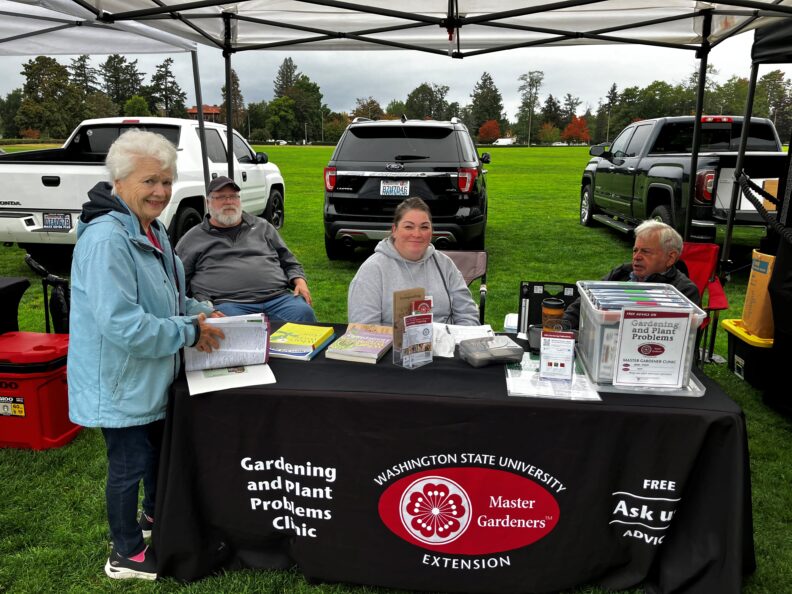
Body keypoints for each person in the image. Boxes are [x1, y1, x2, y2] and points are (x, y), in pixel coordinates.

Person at [68, 130, 225, 581]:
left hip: (150, 375)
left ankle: (156, 519)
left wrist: (201, 312)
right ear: (119, 182)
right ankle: (125, 552)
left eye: (167, 181)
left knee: (155, 456)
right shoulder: (106, 241)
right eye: (150, 181)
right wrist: (188, 332)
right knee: (129, 466)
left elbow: (170, 296)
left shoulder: (151, 228)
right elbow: (123, 325)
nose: (160, 192)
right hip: (120, 379)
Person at [176, 176, 316, 322]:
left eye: (233, 196)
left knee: (304, 313)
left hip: (278, 299)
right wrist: (200, 307)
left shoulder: (262, 226)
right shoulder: (193, 237)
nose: (229, 202)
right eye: (221, 197)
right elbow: (176, 279)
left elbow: (289, 261)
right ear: (208, 202)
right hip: (227, 304)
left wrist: (299, 281)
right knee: (233, 327)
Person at [348, 197, 479, 326]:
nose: (417, 234)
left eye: (424, 227)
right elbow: (364, 331)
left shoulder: (445, 264)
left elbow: (468, 315)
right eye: (409, 227)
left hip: (446, 345)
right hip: (391, 346)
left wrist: (453, 342)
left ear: (432, 231)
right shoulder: (372, 270)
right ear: (394, 230)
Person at [562, 220, 701, 329]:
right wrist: (560, 328)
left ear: (670, 258)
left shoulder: (683, 291)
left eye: (645, 251)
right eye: (635, 250)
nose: (637, 257)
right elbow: (583, 304)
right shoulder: (622, 273)